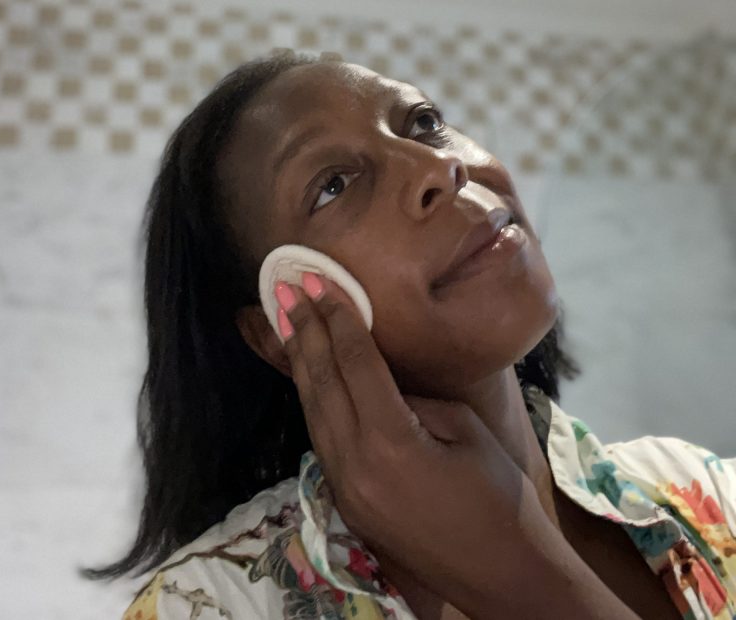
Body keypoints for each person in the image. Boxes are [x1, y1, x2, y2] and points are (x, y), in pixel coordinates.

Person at [82, 51, 736, 619]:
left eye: (424, 123)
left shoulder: (712, 497)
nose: (435, 168)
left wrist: (526, 584)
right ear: (280, 328)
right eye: (332, 185)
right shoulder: (205, 606)